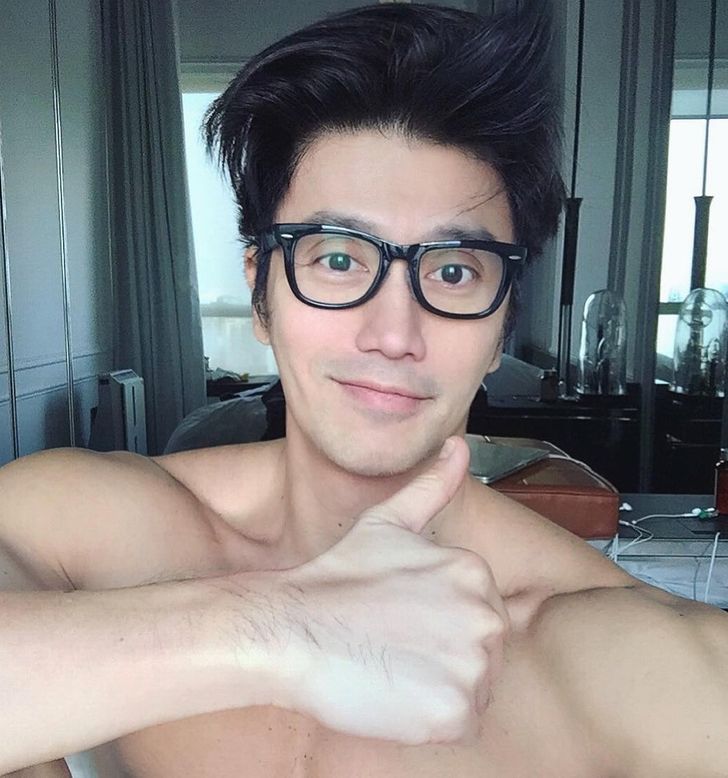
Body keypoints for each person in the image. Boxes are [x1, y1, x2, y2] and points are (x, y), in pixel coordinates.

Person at [1, 4, 727, 776]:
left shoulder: (631, 655)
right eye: (339, 260)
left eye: (453, 272)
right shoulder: (91, 520)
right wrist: (283, 627)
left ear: (501, 329)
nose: (393, 333)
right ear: (261, 297)